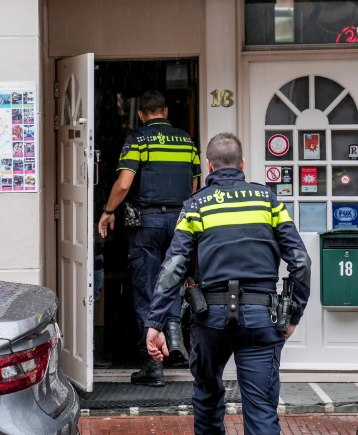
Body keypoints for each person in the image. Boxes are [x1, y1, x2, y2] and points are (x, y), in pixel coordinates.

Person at [143, 132, 311, 435]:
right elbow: (301, 261)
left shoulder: (196, 205)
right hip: (261, 318)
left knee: (207, 403)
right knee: (261, 410)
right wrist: (293, 314)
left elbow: (173, 268)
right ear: (242, 163)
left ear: (209, 166)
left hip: (210, 318)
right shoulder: (268, 201)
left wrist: (155, 322)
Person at [97, 90, 201, 387]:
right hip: (180, 222)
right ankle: (175, 338)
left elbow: (123, 183)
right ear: (166, 111)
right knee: (173, 283)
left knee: (147, 290)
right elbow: (194, 187)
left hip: (147, 223)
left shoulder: (138, 139)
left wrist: (108, 210)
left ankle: (152, 365)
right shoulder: (186, 141)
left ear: (141, 114)